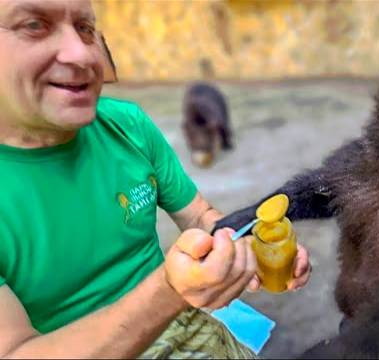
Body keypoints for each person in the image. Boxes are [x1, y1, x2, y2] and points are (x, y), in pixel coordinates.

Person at [0, 0, 311, 358]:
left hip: (183, 321)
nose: (83, 56)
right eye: (34, 25)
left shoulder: (129, 125)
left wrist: (248, 248)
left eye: (86, 29)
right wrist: (169, 292)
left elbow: (198, 216)